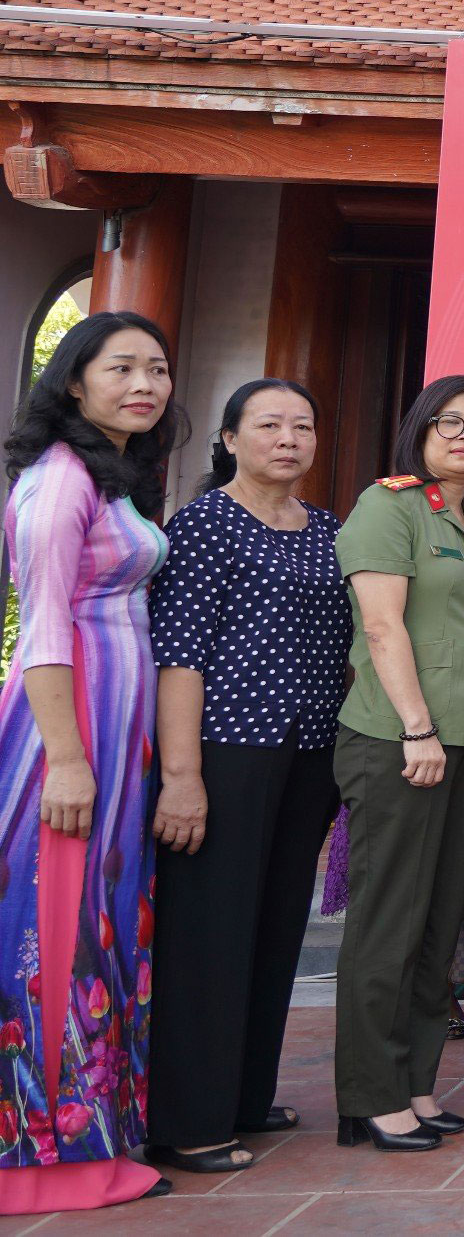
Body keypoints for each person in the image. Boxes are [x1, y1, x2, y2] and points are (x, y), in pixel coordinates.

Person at [146, 379, 352, 1174]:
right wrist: (182, 775)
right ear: (230, 438)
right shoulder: (203, 526)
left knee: (273, 928)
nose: (288, 438)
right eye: (268, 424)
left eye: (302, 425)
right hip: (225, 750)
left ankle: (244, 1095)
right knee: (211, 933)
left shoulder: (327, 529)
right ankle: (190, 1120)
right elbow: (181, 658)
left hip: (307, 755)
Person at [0, 312, 180, 1210]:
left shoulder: (114, 477)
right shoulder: (56, 480)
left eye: (157, 368)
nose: (145, 383)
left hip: (116, 732)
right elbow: (39, 630)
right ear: (73, 380)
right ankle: (38, 1161)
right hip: (63, 738)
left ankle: (94, 1137)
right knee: (52, 930)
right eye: (122, 368)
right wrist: (67, 760)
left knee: (101, 924)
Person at [331, 375, 464, 1152]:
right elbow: (381, 626)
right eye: (451, 421)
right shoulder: (388, 506)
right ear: (420, 428)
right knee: (388, 921)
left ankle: (413, 1081)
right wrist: (415, 727)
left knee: (437, 923)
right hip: (400, 741)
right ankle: (368, 1094)